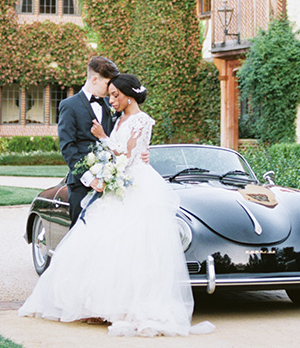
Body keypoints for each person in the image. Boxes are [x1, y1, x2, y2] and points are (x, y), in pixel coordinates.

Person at [19, 73, 213, 337]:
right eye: (109, 95)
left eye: (115, 95)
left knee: (131, 247)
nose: (110, 100)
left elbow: (132, 154)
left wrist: (103, 138)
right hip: (118, 183)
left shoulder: (142, 120)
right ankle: (96, 305)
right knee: (100, 244)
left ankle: (127, 308)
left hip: (135, 186)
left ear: (128, 96)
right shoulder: (119, 118)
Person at [57, 56, 120, 227]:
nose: (110, 90)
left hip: (110, 183)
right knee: (80, 231)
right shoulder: (69, 106)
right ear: (94, 79)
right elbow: (67, 147)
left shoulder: (111, 105)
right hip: (81, 184)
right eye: (108, 84)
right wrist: (89, 178)